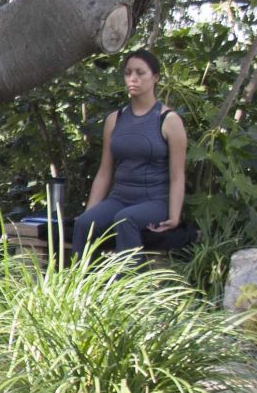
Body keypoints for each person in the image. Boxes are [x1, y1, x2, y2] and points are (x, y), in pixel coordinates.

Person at [72, 48, 187, 258]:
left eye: (140, 73)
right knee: (83, 224)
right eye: (128, 73)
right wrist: (89, 212)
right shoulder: (114, 120)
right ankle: (79, 284)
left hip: (154, 201)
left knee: (126, 220)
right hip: (120, 198)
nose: (133, 78)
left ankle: (129, 284)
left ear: (156, 78)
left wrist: (174, 216)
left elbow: (178, 175)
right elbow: (105, 172)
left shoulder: (169, 121)